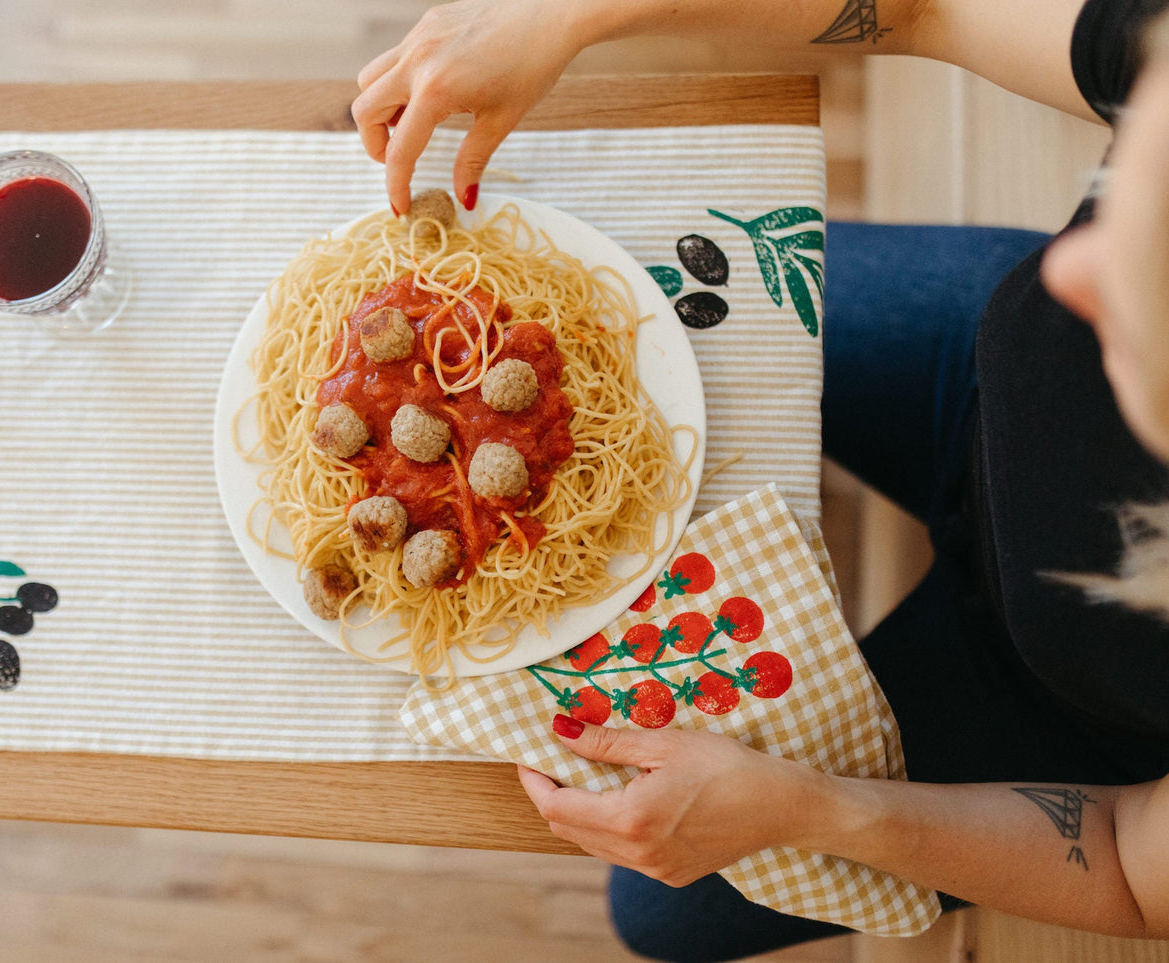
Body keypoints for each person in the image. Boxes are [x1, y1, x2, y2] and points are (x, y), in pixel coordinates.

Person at [355, 0, 1169, 959]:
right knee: (645, 283)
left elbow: (1122, 862)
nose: (1068, 261)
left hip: (1058, 703)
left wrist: (808, 808)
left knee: (653, 913)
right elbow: (924, 8)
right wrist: (562, 16)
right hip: (976, 374)